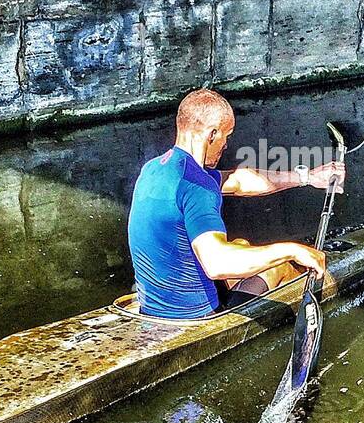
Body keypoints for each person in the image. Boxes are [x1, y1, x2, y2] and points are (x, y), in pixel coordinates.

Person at [127, 88, 344, 319]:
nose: (226, 145)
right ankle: (318, 309)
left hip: (154, 307)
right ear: (212, 134)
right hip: (196, 317)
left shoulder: (154, 169)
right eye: (226, 136)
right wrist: (292, 250)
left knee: (241, 244)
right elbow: (216, 264)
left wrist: (308, 177)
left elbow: (239, 181)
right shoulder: (198, 187)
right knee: (281, 266)